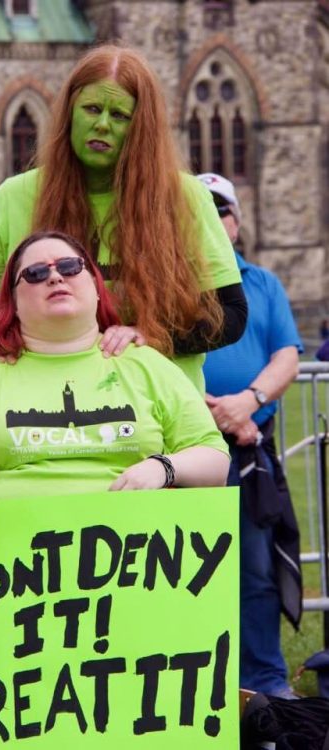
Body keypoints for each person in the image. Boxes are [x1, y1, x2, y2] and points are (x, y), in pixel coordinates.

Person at [0, 231, 230, 544]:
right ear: (13, 301)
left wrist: (163, 467)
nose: (54, 276)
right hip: (5, 581)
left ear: (96, 287)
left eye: (69, 266)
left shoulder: (147, 366)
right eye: (35, 273)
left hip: (135, 571)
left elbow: (214, 459)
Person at [0, 44, 247, 394]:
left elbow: (232, 315)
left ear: (141, 127)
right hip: (45, 413)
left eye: (119, 116)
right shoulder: (14, 197)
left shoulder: (185, 197)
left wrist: (149, 336)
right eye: (91, 109)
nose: (101, 124)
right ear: (70, 113)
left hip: (158, 409)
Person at [199, 173, 304, 699]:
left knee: (255, 572)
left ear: (236, 222)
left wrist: (248, 403)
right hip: (188, 452)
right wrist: (205, 409)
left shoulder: (262, 283)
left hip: (247, 448)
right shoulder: (167, 280)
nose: (214, 221)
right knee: (188, 571)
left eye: (222, 211)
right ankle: (204, 681)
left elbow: (286, 354)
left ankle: (263, 679)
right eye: (203, 211)